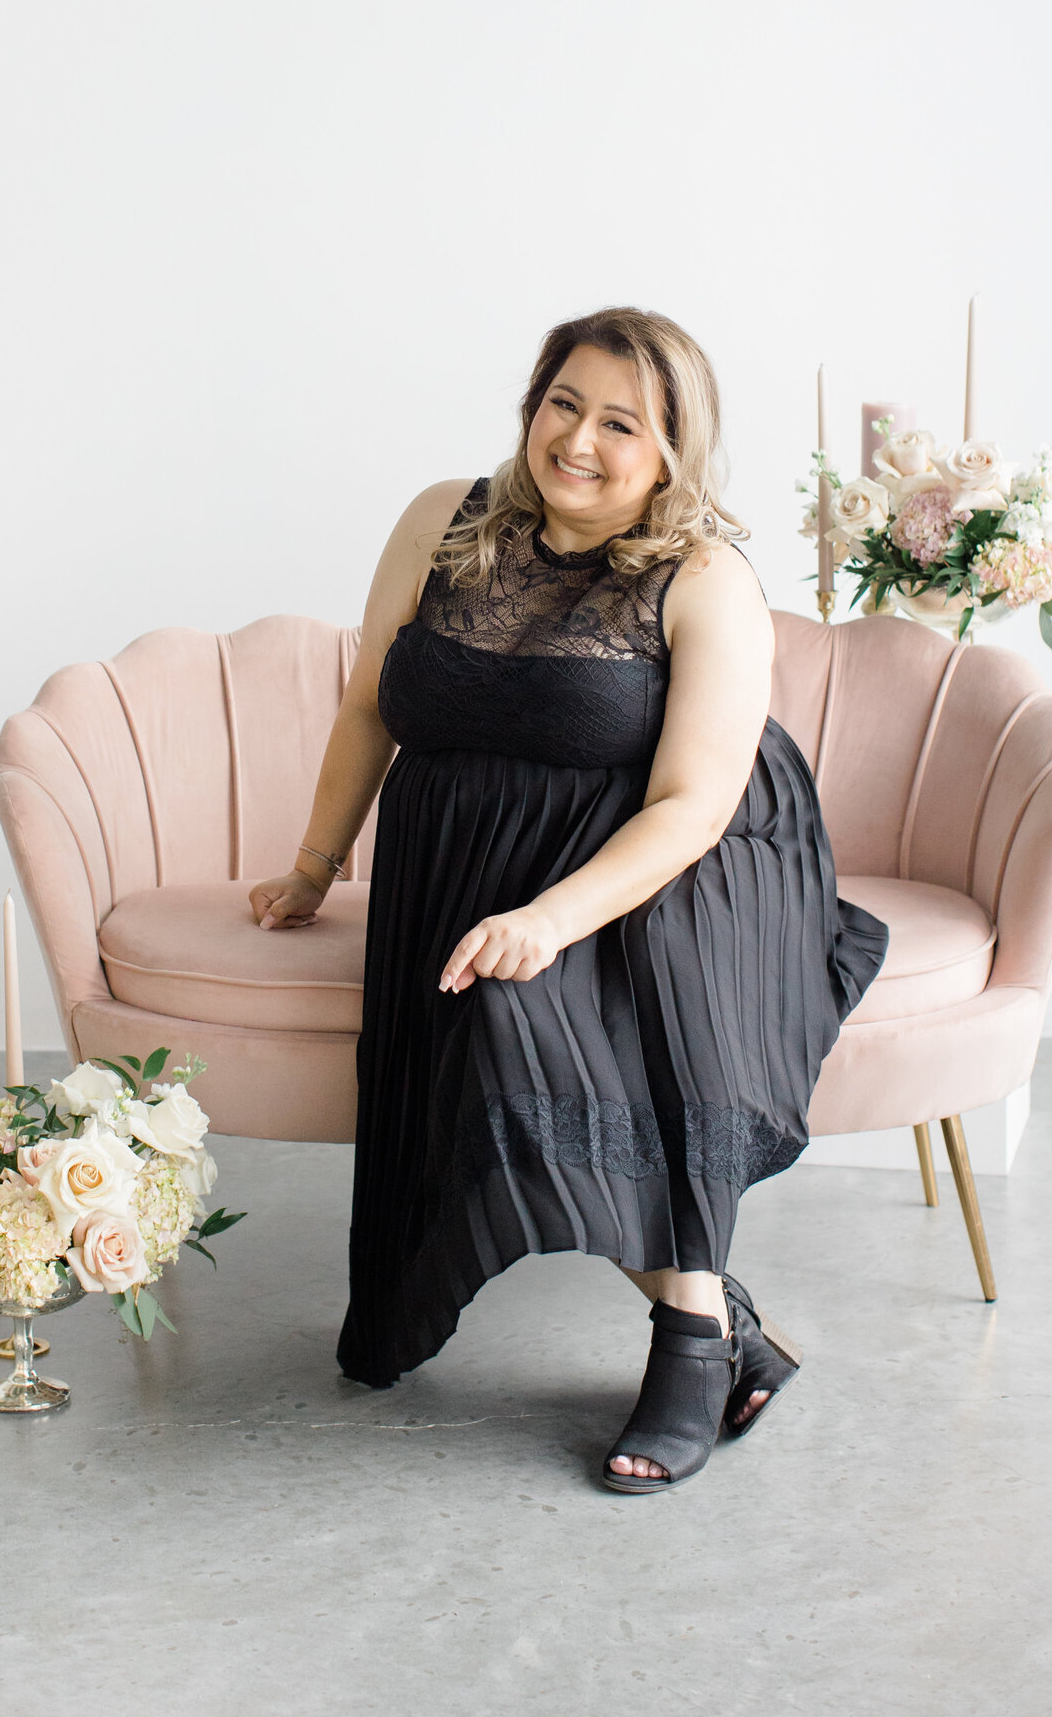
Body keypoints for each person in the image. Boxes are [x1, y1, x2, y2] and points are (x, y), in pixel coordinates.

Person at [247, 307, 886, 1493]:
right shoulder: (440, 521)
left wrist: (547, 921)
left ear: (673, 449)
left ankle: (690, 1335)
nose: (578, 441)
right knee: (493, 1015)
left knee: (525, 1021)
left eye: (620, 424)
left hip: (677, 862)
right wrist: (314, 867)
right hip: (472, 856)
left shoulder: (706, 578)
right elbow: (370, 704)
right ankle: (732, 1334)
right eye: (563, 404)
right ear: (531, 405)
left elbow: (693, 806)